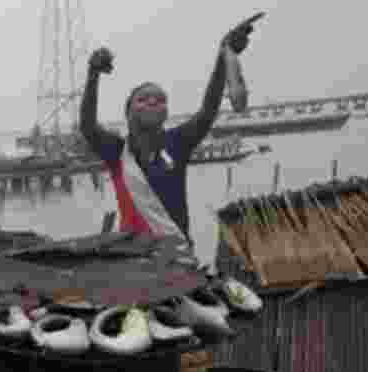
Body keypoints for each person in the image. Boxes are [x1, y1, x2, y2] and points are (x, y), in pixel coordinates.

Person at [80, 15, 261, 248]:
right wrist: (93, 74)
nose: (153, 101)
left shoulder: (179, 142)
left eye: (160, 99)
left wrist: (222, 56)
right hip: (131, 258)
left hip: (176, 254)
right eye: (143, 99)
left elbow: (207, 111)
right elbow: (87, 125)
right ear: (128, 112)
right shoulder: (116, 151)